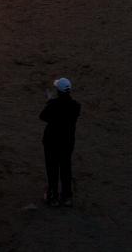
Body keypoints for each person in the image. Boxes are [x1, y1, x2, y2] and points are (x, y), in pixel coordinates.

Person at [41, 77, 81, 207]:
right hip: (67, 141)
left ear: (58, 91)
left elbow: (43, 116)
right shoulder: (75, 106)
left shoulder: (53, 104)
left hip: (52, 141)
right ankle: (67, 196)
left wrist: (49, 101)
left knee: (52, 168)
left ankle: (53, 196)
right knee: (65, 168)